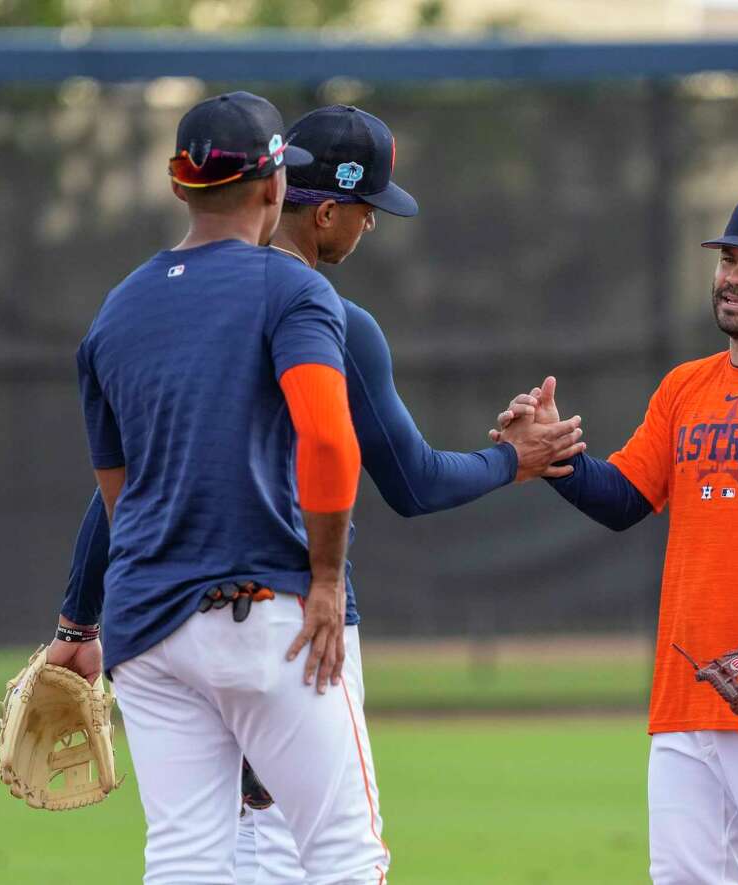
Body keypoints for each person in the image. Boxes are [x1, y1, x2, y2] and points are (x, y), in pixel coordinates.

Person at [51, 99, 584, 884]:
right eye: (367, 211)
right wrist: (511, 460)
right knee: (341, 855)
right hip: (273, 617)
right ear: (293, 193)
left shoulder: (120, 308)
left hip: (149, 628)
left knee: (186, 860)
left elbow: (122, 496)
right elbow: (395, 474)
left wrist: (76, 619)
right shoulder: (314, 305)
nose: (369, 228)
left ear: (179, 186)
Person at [493, 192, 738, 884]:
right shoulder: (685, 388)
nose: (735, 275)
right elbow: (623, 498)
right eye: (729, 258)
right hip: (688, 693)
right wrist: (552, 454)